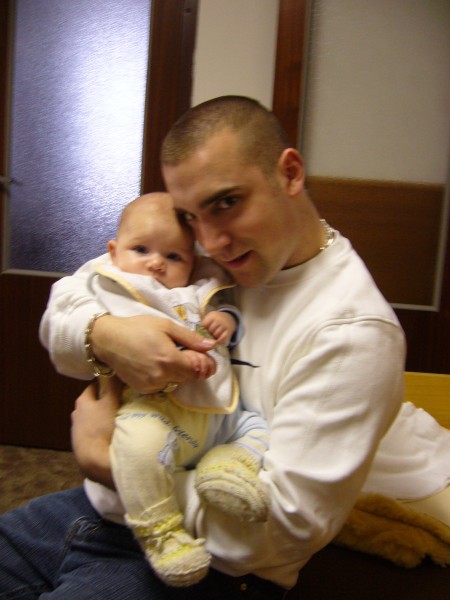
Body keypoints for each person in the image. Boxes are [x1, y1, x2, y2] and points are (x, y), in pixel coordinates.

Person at [1, 96, 449, 600]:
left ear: (290, 174)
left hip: (207, 560)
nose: (210, 241)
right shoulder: (200, 264)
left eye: (227, 203)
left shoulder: (351, 332)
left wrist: (108, 463)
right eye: (190, 217)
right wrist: (102, 334)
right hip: (96, 509)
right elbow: (65, 308)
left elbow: (281, 532)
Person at [68, 192, 271, 587]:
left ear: (192, 262)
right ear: (113, 251)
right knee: (138, 446)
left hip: (217, 414)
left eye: (174, 256)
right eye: (141, 249)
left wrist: (226, 320)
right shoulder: (111, 286)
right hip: (154, 410)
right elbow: (69, 319)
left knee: (257, 427)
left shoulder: (199, 288)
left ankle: (228, 467)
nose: (156, 263)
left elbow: (224, 310)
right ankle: (162, 533)